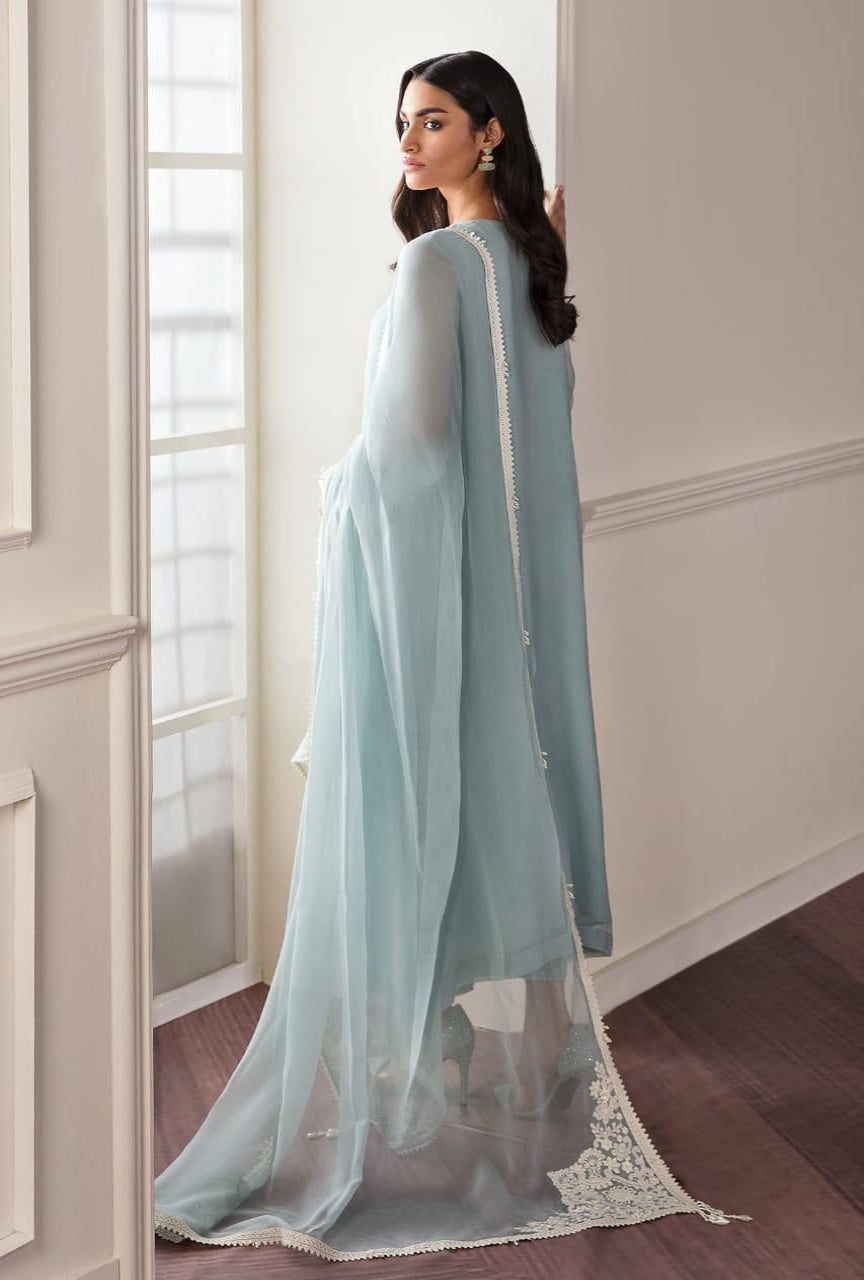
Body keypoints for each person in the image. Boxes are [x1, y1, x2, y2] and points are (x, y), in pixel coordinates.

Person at [154, 50, 751, 1259]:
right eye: (400, 125)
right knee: (501, 821)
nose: (408, 144)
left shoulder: (435, 265)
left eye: (432, 121)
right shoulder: (531, 274)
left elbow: (411, 453)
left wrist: (337, 488)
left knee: (423, 829)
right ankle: (530, 1091)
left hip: (448, 621)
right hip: (525, 626)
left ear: (490, 133)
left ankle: (399, 1115)